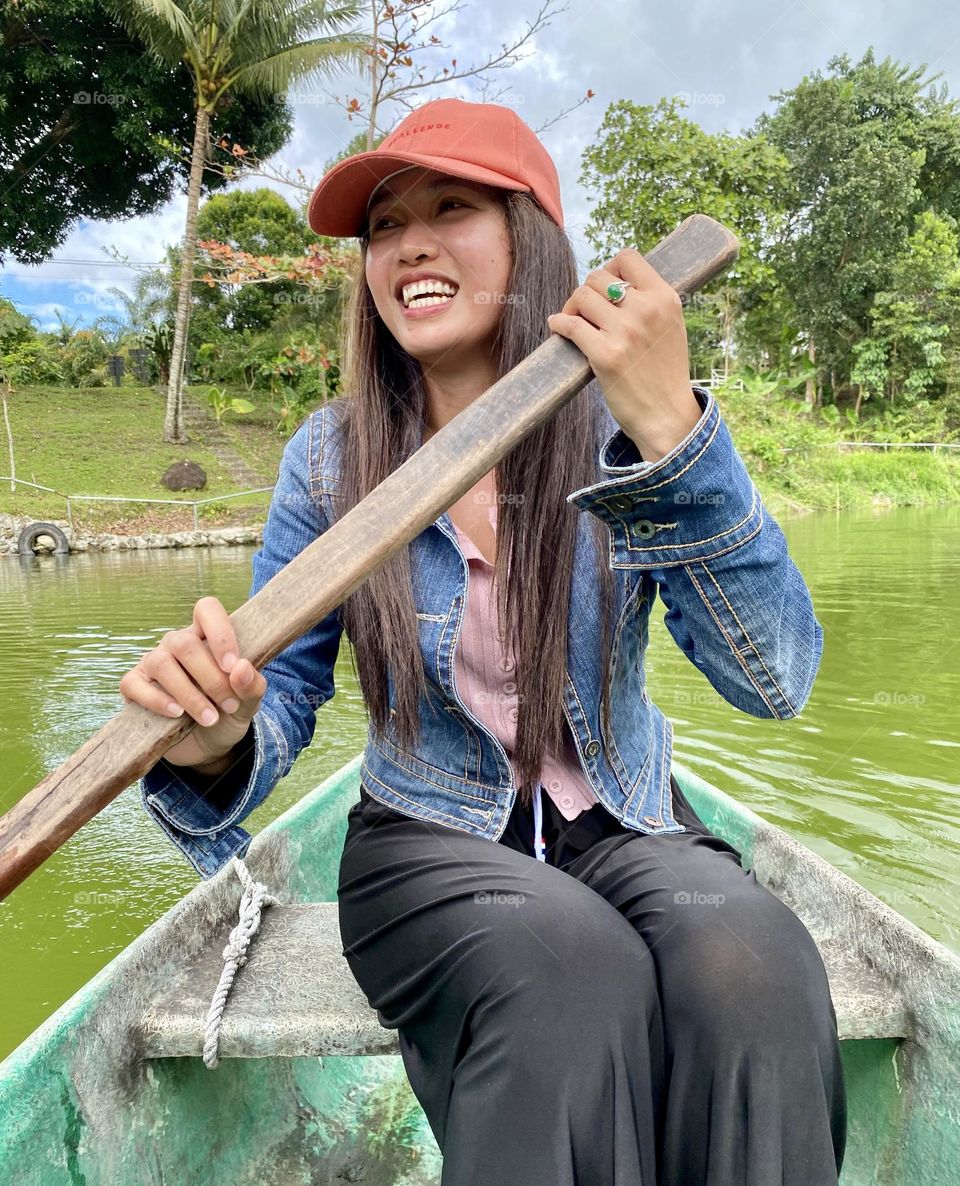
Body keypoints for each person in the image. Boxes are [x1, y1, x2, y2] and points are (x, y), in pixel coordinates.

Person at [123, 98, 846, 1185]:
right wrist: (213, 738)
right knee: (567, 965)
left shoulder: (627, 425)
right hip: (423, 836)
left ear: (533, 236)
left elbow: (773, 680)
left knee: (757, 966)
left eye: (450, 208)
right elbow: (274, 695)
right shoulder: (330, 457)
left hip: (624, 816)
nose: (406, 243)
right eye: (382, 226)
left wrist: (672, 434)